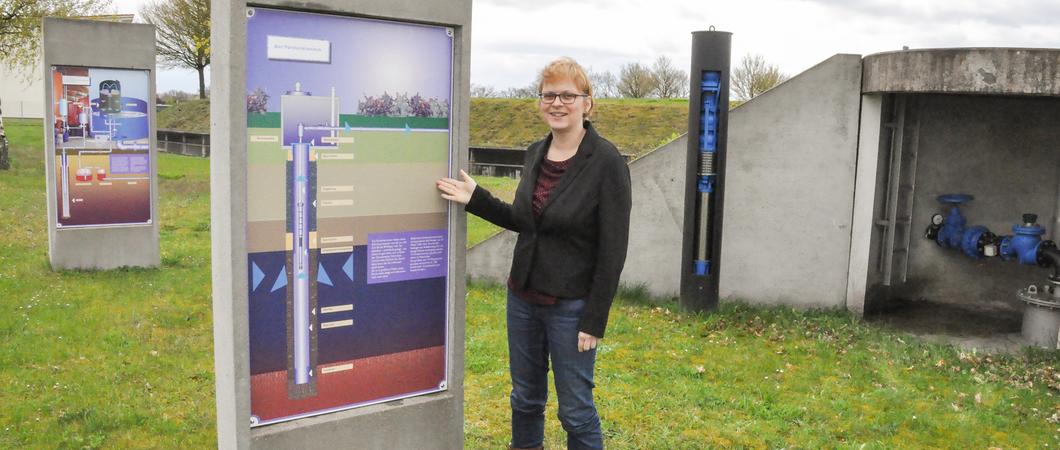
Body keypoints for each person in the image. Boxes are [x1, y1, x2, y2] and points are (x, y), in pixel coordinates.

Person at [437, 57, 631, 450]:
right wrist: (476, 198)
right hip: (522, 297)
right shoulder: (534, 153)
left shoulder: (606, 162)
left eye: (567, 95)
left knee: (575, 411)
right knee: (525, 399)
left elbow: (614, 249)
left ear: (587, 102)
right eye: (548, 95)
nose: (557, 103)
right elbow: (524, 219)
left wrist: (594, 319)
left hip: (571, 306)